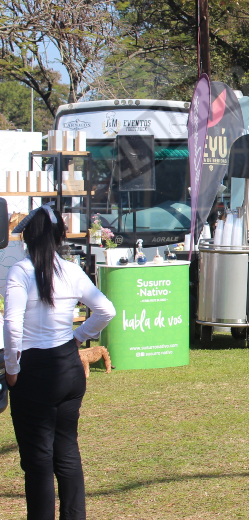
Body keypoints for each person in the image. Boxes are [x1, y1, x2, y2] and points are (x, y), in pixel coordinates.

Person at [5, 205, 116, 520]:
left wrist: (12, 370)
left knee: (38, 461)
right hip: (67, 368)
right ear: (58, 238)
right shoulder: (70, 270)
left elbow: (12, 326)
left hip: (33, 372)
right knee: (67, 452)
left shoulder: (20, 272)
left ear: (27, 238)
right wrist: (78, 337)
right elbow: (106, 310)